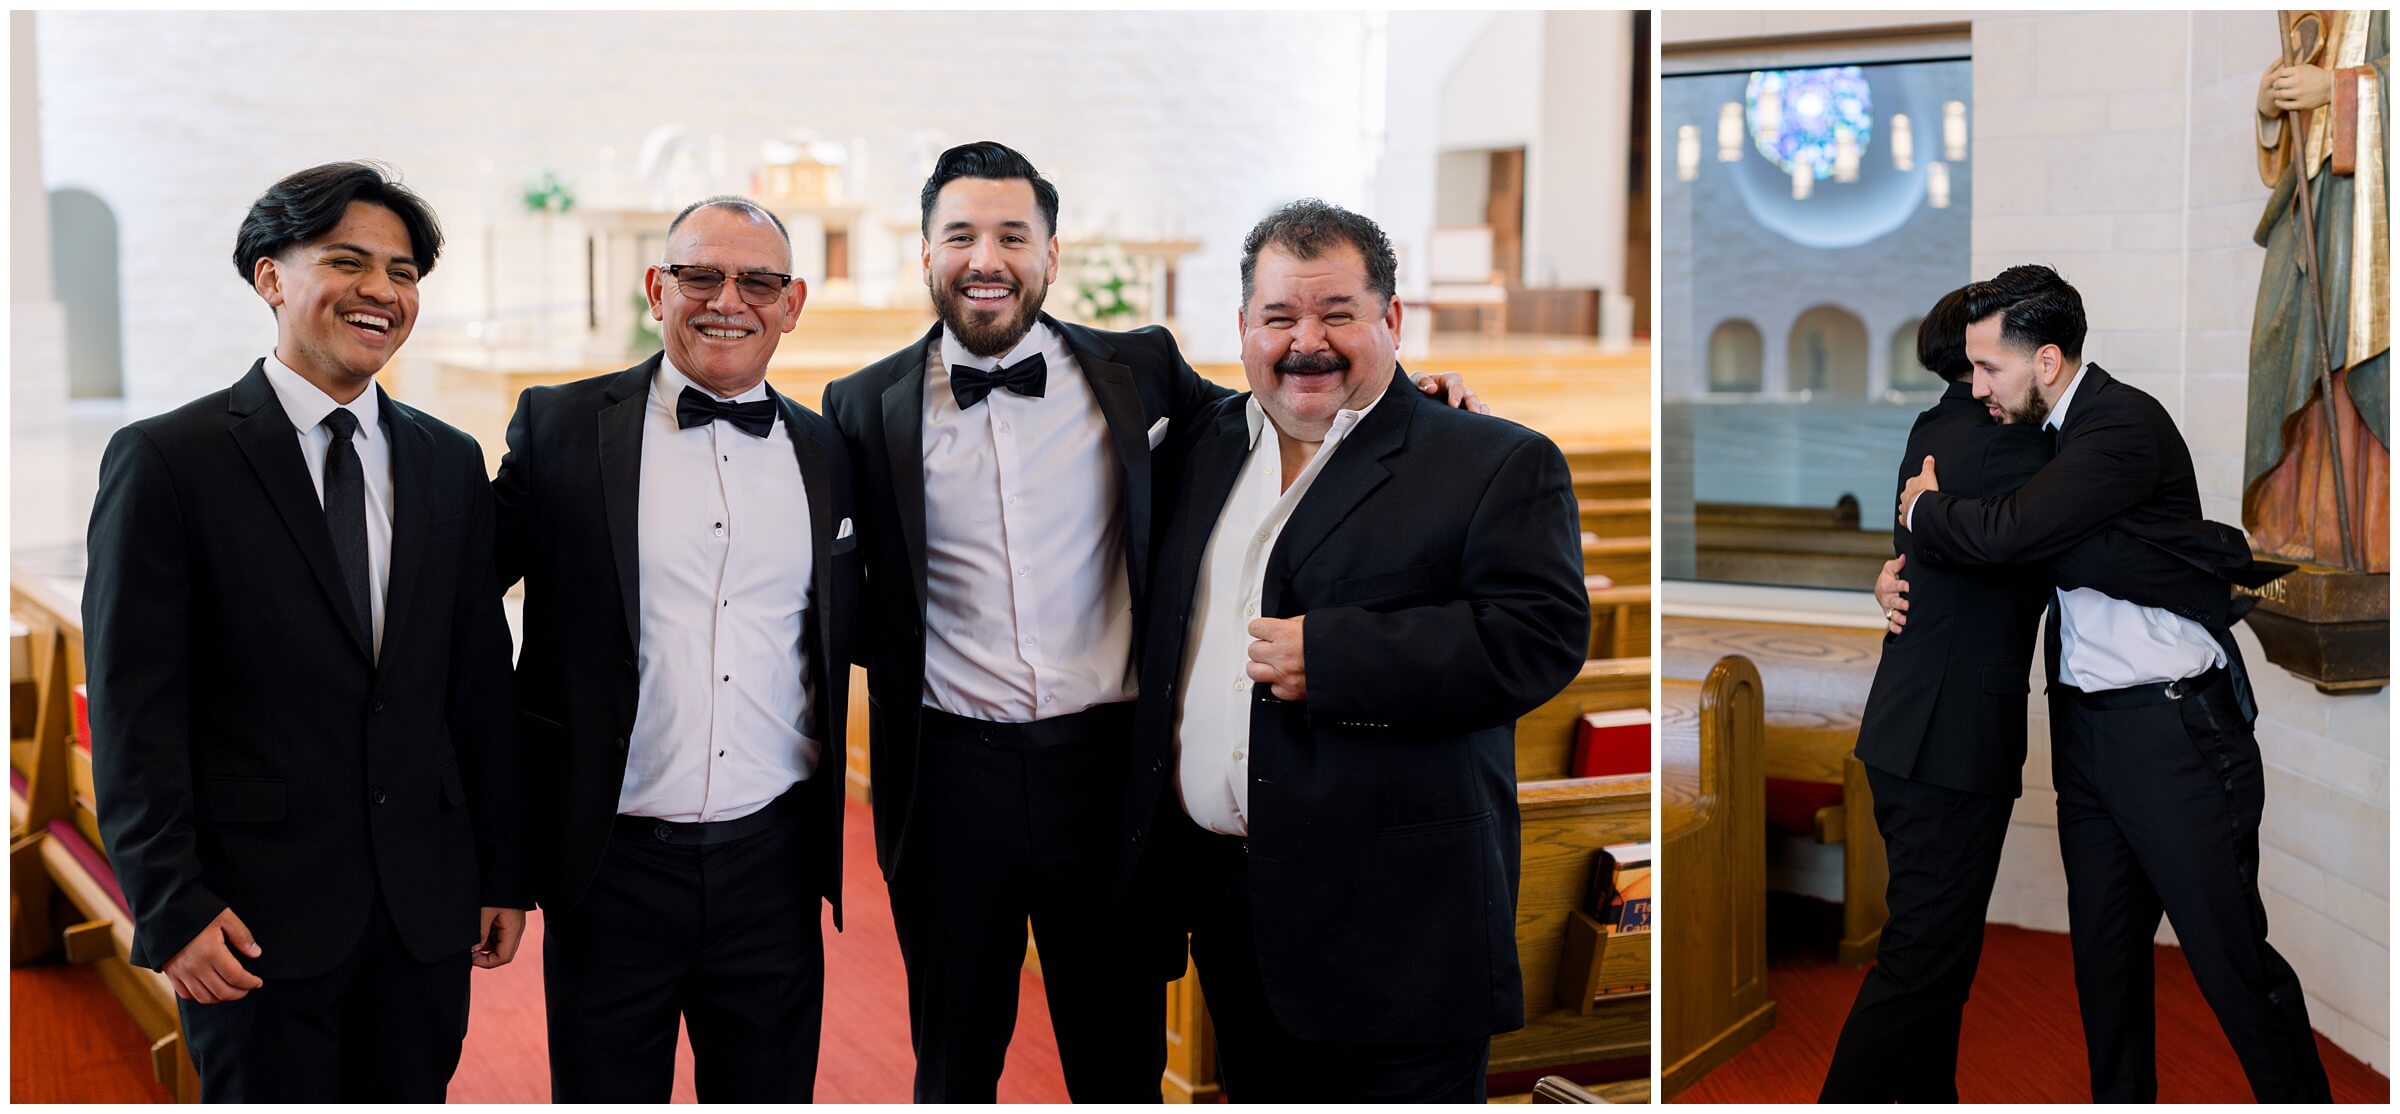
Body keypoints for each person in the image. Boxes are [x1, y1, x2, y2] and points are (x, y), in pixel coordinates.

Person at [822, 143, 1483, 1101]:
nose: (987, 258)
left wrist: (1413, 402)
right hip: (950, 773)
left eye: (1014, 234)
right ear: (924, 256)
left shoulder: (1141, 372)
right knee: (953, 1055)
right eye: (960, 235)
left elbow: (1289, 403)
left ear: (1053, 252)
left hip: (1107, 777)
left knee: (1118, 1055)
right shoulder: (860, 407)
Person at [1119, 199, 1588, 1102]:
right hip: (1233, 906)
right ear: (1244, 328)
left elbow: (1539, 638)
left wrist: (1334, 658)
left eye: (1337, 313)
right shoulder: (1201, 447)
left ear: (1393, 321)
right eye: (1280, 317)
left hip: (1400, 920)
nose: (1308, 342)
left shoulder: (1490, 459)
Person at [84, 161, 524, 1101]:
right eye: (348, 260)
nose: (381, 291)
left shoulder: (447, 461)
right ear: (270, 276)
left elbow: (479, 685)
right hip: (248, 921)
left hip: (423, 911)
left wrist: (500, 870)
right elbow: (132, 707)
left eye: (403, 273)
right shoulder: (169, 460)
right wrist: (170, 904)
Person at [1899, 264, 2331, 1102]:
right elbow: (2008, 547)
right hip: (2089, 733)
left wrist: (1925, 511)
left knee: (2231, 958)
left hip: (2175, 735)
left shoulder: (2121, 425)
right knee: (2105, 962)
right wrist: (1901, 569)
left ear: (2048, 361)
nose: (1977, 388)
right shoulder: (2042, 435)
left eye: (1990, 369)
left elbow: (2015, 533)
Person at [1821, 287, 2228, 1102]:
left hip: (1917, 729)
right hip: (1947, 737)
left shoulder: (1933, 431)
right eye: (1977, 362)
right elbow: (2029, 533)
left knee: (1936, 962)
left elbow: (1946, 545)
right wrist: (2218, 564)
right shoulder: (2008, 444)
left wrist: (1915, 542)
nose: (1985, 382)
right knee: (1922, 963)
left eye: (1990, 364)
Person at [491, 196, 858, 1101]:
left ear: (793, 302)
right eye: (702, 275)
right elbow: (452, 622)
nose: (728, 299)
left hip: (772, 865)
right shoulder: (563, 428)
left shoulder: (829, 451)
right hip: (611, 868)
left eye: (758, 281)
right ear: (659, 287)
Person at [2244, 9, 2387, 570]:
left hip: (2371, 198)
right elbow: (2287, 149)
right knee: (2282, 346)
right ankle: (2293, 518)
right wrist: (2270, 107)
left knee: (2358, 354)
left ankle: (2367, 531)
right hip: (2312, 199)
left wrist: (2337, 87)